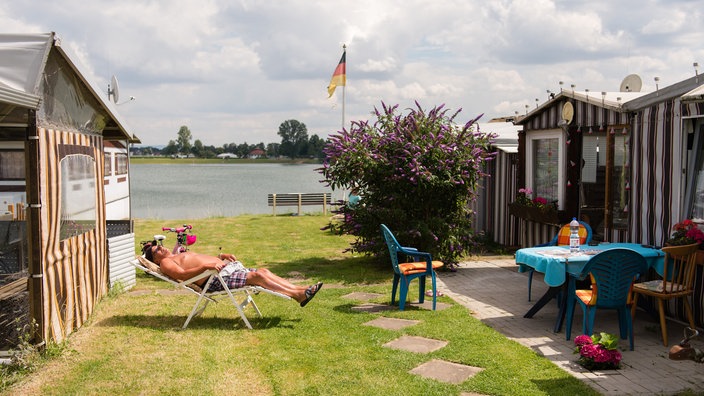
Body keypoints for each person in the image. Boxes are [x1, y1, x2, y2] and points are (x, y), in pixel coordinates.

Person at [142, 241, 322, 307]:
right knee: (257, 277)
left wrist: (221, 257)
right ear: (156, 260)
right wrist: (206, 268)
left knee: (263, 271)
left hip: (223, 271)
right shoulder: (166, 263)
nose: (162, 248)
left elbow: (201, 258)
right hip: (214, 280)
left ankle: (301, 290)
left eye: (159, 245)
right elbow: (183, 275)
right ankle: (298, 296)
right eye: (158, 250)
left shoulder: (178, 253)